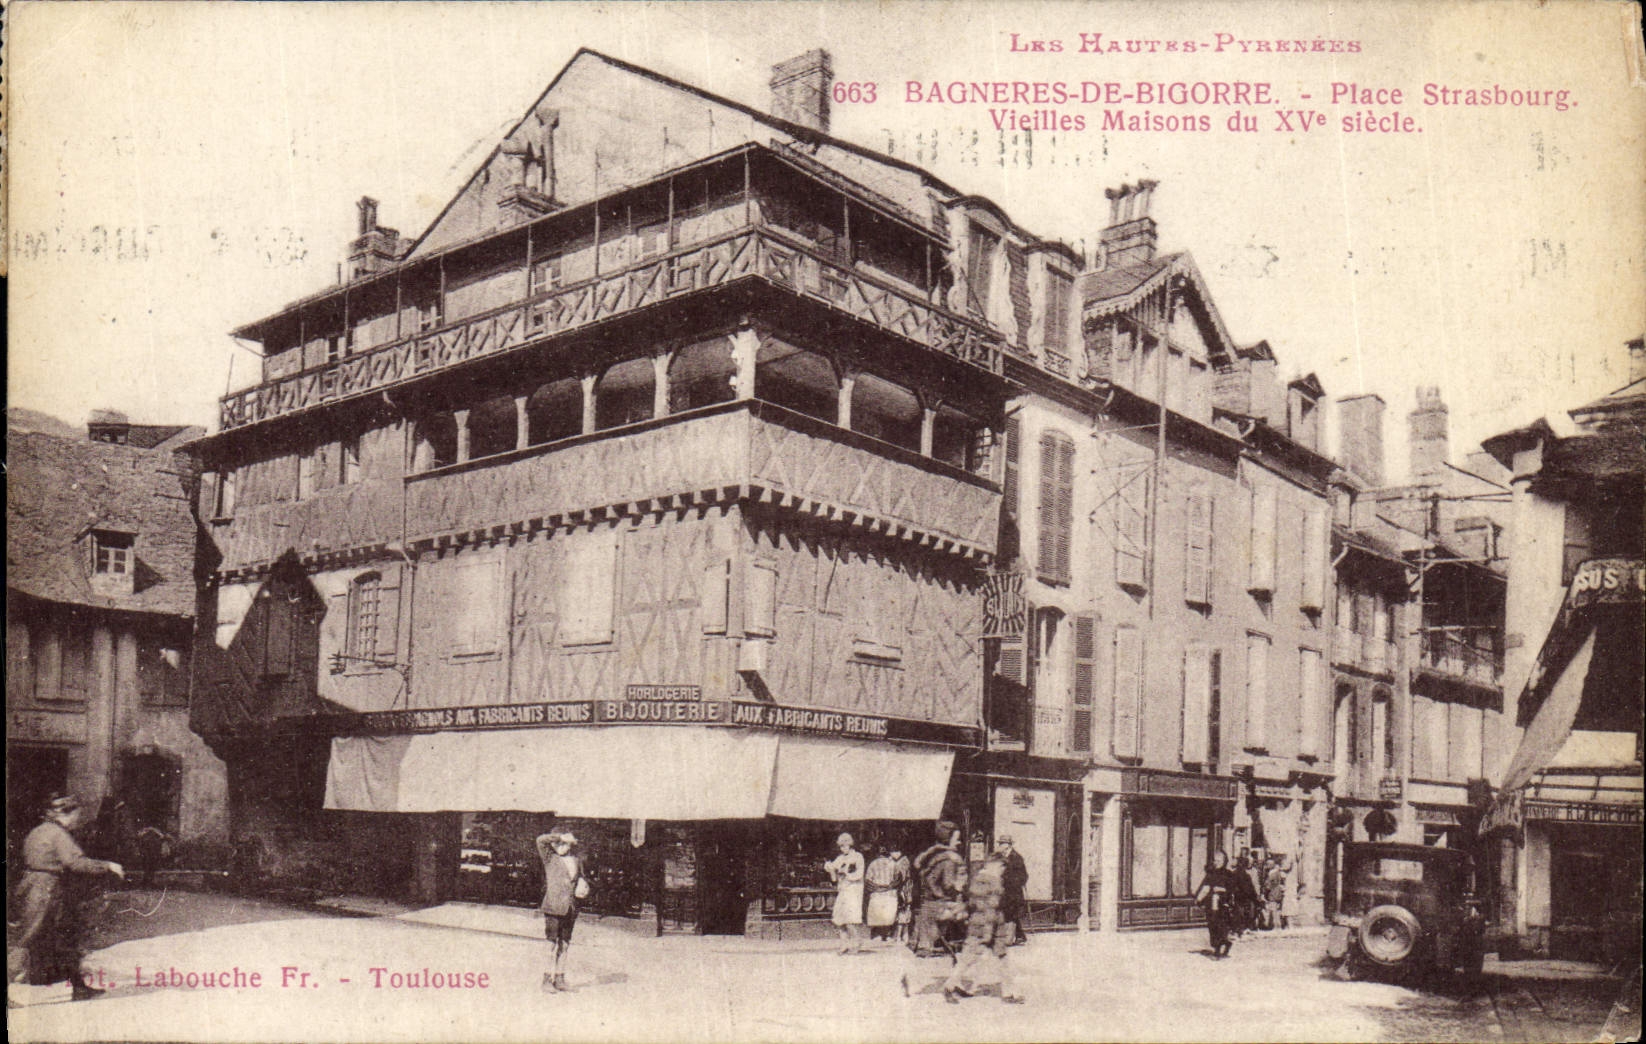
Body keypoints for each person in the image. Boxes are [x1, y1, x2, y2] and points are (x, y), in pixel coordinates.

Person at [8, 794, 125, 1000]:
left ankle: (79, 988)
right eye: (76, 815)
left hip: (34, 887)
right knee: (28, 940)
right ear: (66, 814)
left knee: (63, 938)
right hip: (47, 891)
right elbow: (75, 862)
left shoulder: (39, 831)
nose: (77, 820)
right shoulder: (58, 834)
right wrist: (108, 865)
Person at [941, 850, 1024, 1004]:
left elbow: (972, 903)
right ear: (995, 865)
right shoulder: (993, 882)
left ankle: (1009, 993)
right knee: (978, 958)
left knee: (992, 958)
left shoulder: (977, 880)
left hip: (980, 923)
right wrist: (988, 933)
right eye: (1002, 868)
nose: (1003, 871)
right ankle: (949, 986)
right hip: (988, 926)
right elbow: (991, 908)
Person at [534, 828, 590, 992]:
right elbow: (540, 840)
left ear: (570, 845)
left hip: (571, 908)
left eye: (564, 844)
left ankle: (560, 978)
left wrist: (584, 885)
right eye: (558, 843)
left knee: (564, 944)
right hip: (553, 907)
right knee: (551, 944)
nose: (561, 846)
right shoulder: (550, 858)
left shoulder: (576, 860)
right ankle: (546, 980)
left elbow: (581, 878)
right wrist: (559, 836)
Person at [910, 821, 967, 957]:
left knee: (923, 944)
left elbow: (922, 873)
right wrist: (960, 891)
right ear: (948, 839)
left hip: (928, 903)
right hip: (942, 903)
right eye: (956, 839)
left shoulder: (931, 855)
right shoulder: (951, 859)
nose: (959, 842)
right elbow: (948, 884)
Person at [824, 833, 867, 954]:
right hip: (843, 891)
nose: (843, 848)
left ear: (850, 844)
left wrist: (847, 874)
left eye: (845, 845)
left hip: (853, 891)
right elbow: (833, 871)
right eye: (841, 846)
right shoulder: (840, 858)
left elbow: (859, 874)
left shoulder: (858, 857)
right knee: (839, 919)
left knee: (849, 919)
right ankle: (844, 944)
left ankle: (857, 941)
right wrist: (830, 868)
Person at [1195, 850, 1242, 958]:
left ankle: (1218, 949)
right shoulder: (1211, 873)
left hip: (1223, 905)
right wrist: (1198, 899)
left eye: (1219, 860)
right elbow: (1204, 887)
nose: (1216, 862)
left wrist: (1222, 889)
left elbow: (1233, 889)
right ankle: (1224, 944)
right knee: (1212, 926)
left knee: (1220, 926)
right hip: (1210, 904)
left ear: (1224, 861)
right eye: (1215, 860)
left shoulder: (1229, 874)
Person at [996, 835, 1030, 946]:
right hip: (1005, 892)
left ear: (1009, 845)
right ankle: (1020, 936)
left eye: (1003, 843)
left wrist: (1011, 882)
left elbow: (1023, 876)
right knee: (1010, 914)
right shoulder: (1001, 856)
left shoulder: (1016, 858)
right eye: (1000, 843)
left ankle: (1015, 937)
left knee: (1011, 914)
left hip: (1013, 892)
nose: (1000, 845)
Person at [864, 845, 902, 943]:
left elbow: (868, 880)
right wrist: (888, 887)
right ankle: (887, 935)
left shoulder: (872, 864)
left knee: (877, 913)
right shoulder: (894, 864)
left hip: (877, 893)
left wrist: (877, 888)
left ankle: (877, 934)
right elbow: (898, 880)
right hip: (889, 893)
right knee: (888, 914)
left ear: (877, 854)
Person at [890, 846, 913, 943]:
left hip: (903, 890)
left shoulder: (902, 862)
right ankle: (904, 934)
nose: (892, 854)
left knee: (902, 912)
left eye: (894, 852)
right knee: (904, 912)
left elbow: (900, 878)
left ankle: (900, 935)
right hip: (905, 889)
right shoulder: (902, 861)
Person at [1263, 856, 1288, 931]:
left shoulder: (1272, 873)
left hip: (1273, 894)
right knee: (1277, 910)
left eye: (1269, 864)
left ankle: (1276, 926)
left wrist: (1265, 891)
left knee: (1274, 910)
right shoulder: (1277, 872)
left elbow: (1269, 885)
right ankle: (1278, 925)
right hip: (1277, 893)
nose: (1268, 865)